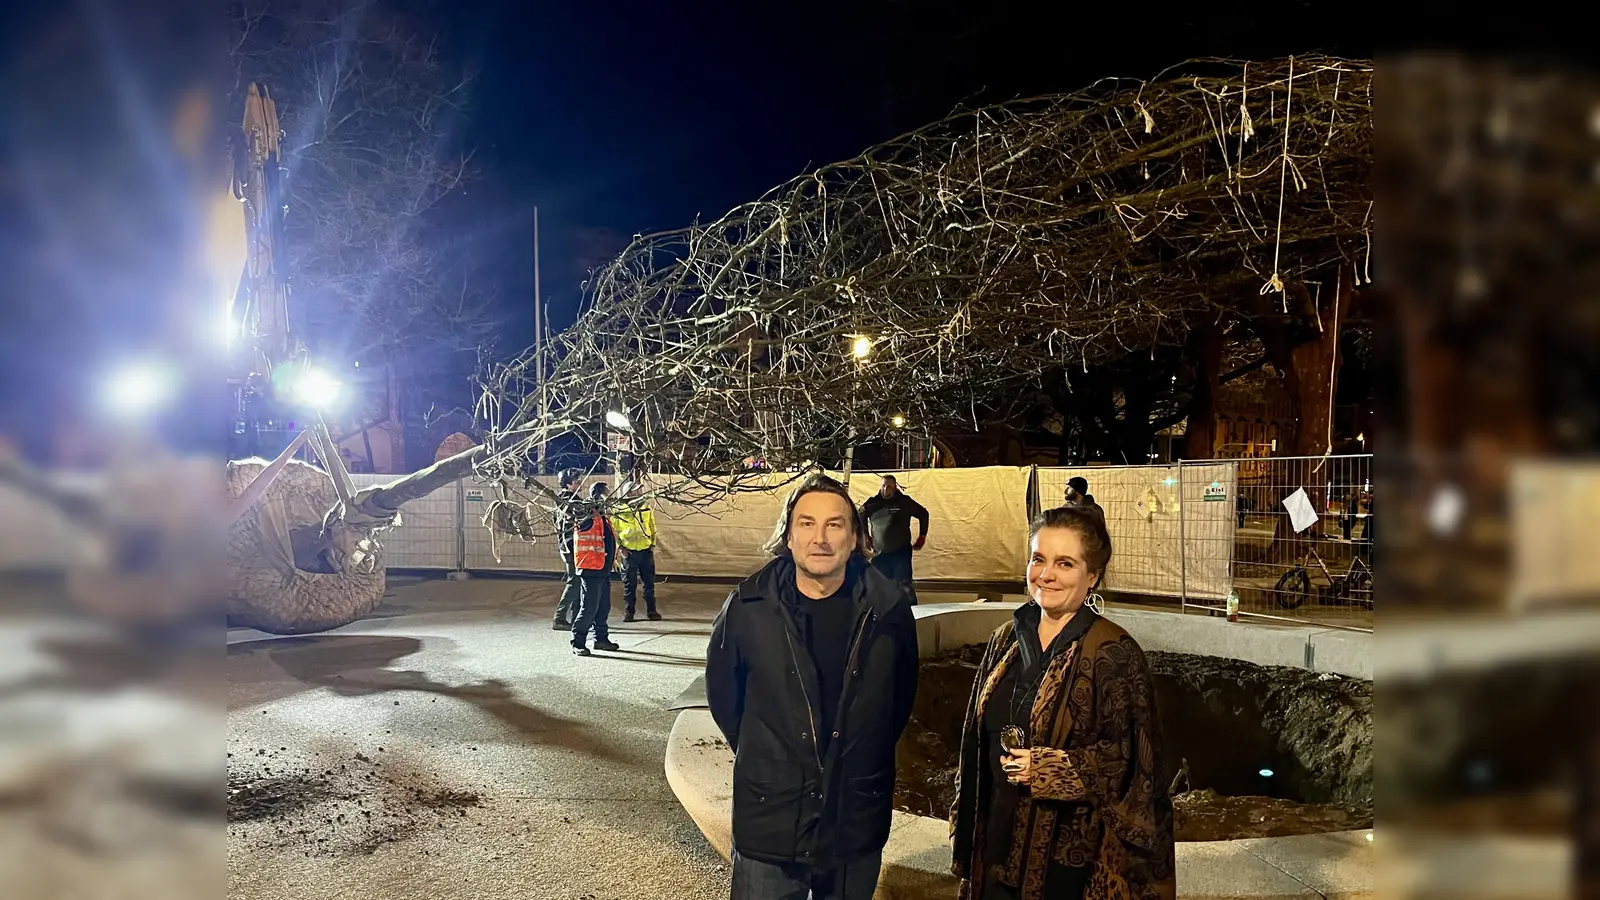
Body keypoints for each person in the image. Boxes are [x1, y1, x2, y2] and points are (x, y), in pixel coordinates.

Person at [706, 474, 920, 900]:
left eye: (834, 525)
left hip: (853, 819)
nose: (819, 538)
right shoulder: (748, 608)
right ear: (788, 535)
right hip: (770, 818)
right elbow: (725, 701)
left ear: (857, 536)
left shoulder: (889, 610)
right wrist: (771, 763)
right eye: (806, 524)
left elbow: (896, 706)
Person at [950, 507, 1174, 900]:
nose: (1046, 574)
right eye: (1039, 559)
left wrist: (1050, 769)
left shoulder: (1114, 653)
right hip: (994, 847)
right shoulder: (1005, 639)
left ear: (1093, 576)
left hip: (1069, 866)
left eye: (1065, 563)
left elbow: (1134, 765)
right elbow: (975, 735)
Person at [859, 475, 930, 600]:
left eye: (889, 486)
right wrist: (865, 535)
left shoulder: (904, 502)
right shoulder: (873, 503)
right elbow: (860, 515)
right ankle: (880, 615)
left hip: (900, 552)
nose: (886, 489)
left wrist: (922, 536)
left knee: (904, 586)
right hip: (879, 553)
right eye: (883, 486)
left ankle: (912, 614)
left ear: (895, 486)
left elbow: (923, 514)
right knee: (879, 586)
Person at [570, 481, 620, 657]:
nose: (610, 497)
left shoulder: (602, 517)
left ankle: (601, 639)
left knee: (603, 607)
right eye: (606, 493)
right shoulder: (586, 514)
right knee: (589, 607)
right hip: (590, 567)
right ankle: (578, 642)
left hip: (602, 568)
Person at [611, 479, 661, 622]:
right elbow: (615, 531)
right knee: (629, 584)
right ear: (630, 492)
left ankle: (652, 611)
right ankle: (629, 612)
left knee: (649, 583)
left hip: (645, 550)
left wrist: (652, 544)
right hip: (629, 552)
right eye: (636, 489)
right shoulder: (619, 510)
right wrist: (621, 548)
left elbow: (652, 526)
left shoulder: (646, 507)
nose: (640, 491)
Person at [552, 468, 586, 631]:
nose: (579, 483)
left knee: (577, 581)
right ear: (568, 482)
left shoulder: (563, 499)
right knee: (575, 581)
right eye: (576, 480)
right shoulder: (568, 500)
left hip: (569, 545)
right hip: (571, 546)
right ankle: (559, 617)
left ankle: (575, 616)